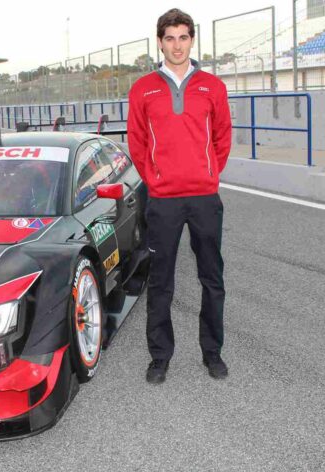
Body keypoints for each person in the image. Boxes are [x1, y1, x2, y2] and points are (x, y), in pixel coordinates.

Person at [127, 8, 232, 384]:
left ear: (191, 40)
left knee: (212, 279)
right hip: (164, 200)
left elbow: (222, 138)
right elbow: (137, 142)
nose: (177, 44)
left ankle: (213, 353)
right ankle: (160, 357)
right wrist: (155, 180)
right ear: (160, 42)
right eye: (169, 37)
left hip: (204, 198)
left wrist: (208, 175)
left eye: (183, 37)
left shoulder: (212, 86)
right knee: (161, 281)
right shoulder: (143, 88)